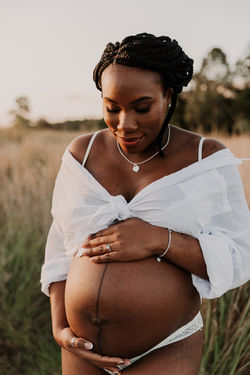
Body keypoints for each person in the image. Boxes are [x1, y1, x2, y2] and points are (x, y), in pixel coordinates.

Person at [41, 33, 250, 375]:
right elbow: (60, 248)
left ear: (168, 95)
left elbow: (239, 254)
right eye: (112, 108)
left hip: (166, 346)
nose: (126, 124)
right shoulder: (81, 155)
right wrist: (60, 327)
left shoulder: (206, 159)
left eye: (142, 108)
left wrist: (158, 239)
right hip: (82, 349)